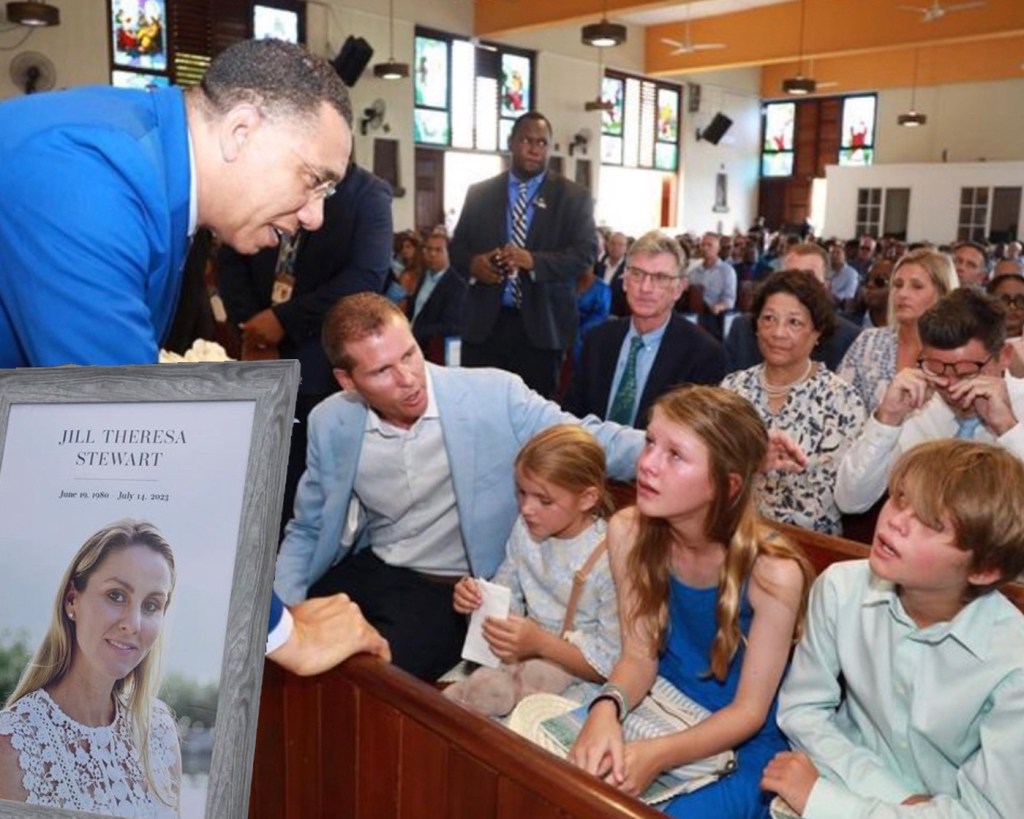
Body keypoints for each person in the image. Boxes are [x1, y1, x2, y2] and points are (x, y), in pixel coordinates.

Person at [273, 292, 644, 682]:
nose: (408, 379)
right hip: (373, 564)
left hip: (452, 590)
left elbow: (588, 439)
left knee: (368, 680)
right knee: (282, 648)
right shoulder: (330, 421)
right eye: (382, 371)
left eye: (409, 354)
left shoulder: (495, 395)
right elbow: (309, 527)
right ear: (347, 381)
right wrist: (284, 607)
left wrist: (667, 453)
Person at [0, 39, 352, 368]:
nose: (315, 218)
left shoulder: (157, 165)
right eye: (313, 181)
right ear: (240, 132)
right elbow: (114, 406)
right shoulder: (91, 178)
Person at [567, 386, 813, 818]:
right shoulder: (628, 531)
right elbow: (638, 658)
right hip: (658, 703)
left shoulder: (773, 573)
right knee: (556, 779)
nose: (647, 463)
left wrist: (659, 755)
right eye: (650, 442)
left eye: (675, 455)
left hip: (742, 740)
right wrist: (607, 707)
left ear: (726, 485)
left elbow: (749, 712)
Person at [764, 440, 1024, 818]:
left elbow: (988, 812)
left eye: (931, 523)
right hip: (837, 774)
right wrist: (896, 796)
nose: (896, 521)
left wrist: (826, 802)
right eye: (900, 499)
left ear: (984, 570)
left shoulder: (1013, 665)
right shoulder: (841, 587)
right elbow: (802, 710)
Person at [217, 156, 393, 532]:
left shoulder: (367, 194)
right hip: (258, 353)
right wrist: (254, 327)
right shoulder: (270, 175)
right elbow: (230, 256)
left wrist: (284, 321)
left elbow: (365, 278)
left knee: (312, 492)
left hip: (321, 363)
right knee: (258, 482)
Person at [0, 521, 181, 816]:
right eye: (116, 595)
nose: (133, 624)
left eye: (151, 605)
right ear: (72, 600)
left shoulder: (159, 732)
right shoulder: (12, 746)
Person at [444, 426, 619, 716]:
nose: (526, 508)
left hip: (574, 667)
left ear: (587, 498)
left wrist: (540, 644)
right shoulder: (525, 530)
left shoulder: (611, 556)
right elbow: (507, 594)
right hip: (521, 648)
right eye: (522, 493)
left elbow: (610, 663)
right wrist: (478, 600)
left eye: (544, 500)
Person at [836, 288, 1024, 514]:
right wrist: (887, 419)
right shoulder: (916, 408)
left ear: (1004, 356)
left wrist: (1008, 428)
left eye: (967, 374)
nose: (951, 387)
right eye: (937, 370)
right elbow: (851, 501)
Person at [450, 111, 597, 398]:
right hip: (485, 326)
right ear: (511, 142)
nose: (534, 149)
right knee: (479, 407)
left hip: (543, 328)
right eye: (526, 140)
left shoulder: (573, 197)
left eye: (542, 143)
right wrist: (473, 265)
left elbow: (586, 253)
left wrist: (533, 261)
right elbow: (457, 249)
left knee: (534, 416)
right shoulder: (480, 193)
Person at [721, 271, 866, 534]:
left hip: (810, 543)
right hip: (735, 533)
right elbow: (712, 471)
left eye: (794, 322)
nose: (778, 333)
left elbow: (836, 495)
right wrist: (751, 464)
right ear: (756, 326)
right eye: (769, 319)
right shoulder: (732, 389)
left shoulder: (842, 400)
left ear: (818, 331)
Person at [564, 230, 727, 428]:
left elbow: (698, 436)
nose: (645, 288)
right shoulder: (597, 340)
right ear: (625, 281)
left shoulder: (704, 355)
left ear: (678, 289)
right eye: (637, 274)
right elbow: (572, 415)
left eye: (660, 278)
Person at [837, 248, 958, 414]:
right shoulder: (869, 342)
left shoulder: (958, 353)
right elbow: (838, 407)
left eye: (917, 286)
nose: (902, 294)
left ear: (943, 294)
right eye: (898, 285)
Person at [725, 243, 862, 372]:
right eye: (789, 278)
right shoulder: (743, 329)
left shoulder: (849, 339)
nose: (797, 287)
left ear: (826, 287)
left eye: (808, 278)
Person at [408, 230, 467, 364]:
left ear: (448, 253)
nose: (432, 254)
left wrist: (414, 331)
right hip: (415, 344)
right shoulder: (423, 276)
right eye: (429, 249)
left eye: (438, 250)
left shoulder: (457, 285)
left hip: (435, 350)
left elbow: (450, 325)